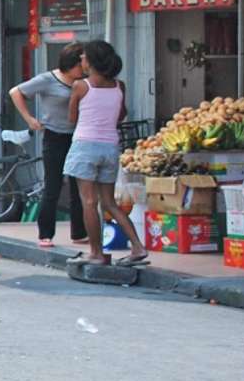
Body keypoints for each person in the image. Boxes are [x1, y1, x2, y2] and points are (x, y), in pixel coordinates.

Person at [65, 40, 148, 267]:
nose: (81, 60)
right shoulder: (119, 86)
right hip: (110, 146)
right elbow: (121, 114)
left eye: (83, 57)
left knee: (89, 203)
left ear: (91, 61)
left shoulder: (81, 86)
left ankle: (96, 253)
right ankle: (138, 247)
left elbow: (72, 118)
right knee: (110, 203)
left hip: (85, 146)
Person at [10, 42, 87, 248]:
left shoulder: (83, 82)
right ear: (71, 64)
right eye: (81, 64)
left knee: (77, 186)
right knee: (52, 185)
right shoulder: (48, 79)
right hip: (54, 136)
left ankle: (79, 232)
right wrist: (29, 119)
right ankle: (46, 233)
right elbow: (15, 92)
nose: (84, 69)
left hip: (78, 136)